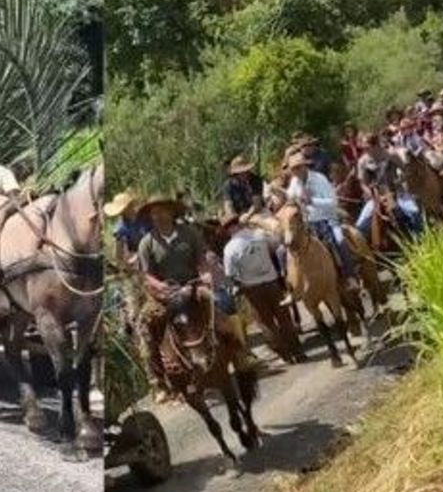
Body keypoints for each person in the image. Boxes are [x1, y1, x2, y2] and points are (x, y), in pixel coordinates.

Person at [135, 194, 211, 402]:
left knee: (217, 302)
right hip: (164, 294)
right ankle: (158, 381)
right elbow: (146, 275)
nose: (158, 215)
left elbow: (201, 258)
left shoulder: (190, 233)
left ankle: (240, 354)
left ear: (171, 212)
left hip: (192, 284)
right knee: (145, 326)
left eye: (162, 211)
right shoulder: (146, 243)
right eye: (154, 212)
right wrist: (160, 286)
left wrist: (204, 273)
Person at [220, 211, 302, 364]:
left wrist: (239, 285)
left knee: (266, 322)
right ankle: (298, 352)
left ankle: (285, 355)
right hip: (272, 283)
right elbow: (276, 246)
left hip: (252, 289)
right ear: (238, 222)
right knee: (284, 318)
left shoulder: (229, 249)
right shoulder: (258, 235)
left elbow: (230, 274)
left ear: (227, 229)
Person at [284, 151, 360, 290]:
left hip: (327, 219)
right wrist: (286, 198)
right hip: (308, 223)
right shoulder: (294, 182)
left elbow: (333, 202)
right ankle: (297, 286)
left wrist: (312, 201)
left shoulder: (320, 179)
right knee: (293, 247)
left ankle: (351, 276)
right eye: (294, 169)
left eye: (298, 167)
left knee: (339, 241)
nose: (297, 171)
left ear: (305, 166)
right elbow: (290, 196)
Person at [104, 190, 148, 272]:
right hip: (135, 253)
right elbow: (118, 252)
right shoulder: (120, 227)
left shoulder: (145, 217)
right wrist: (122, 263)